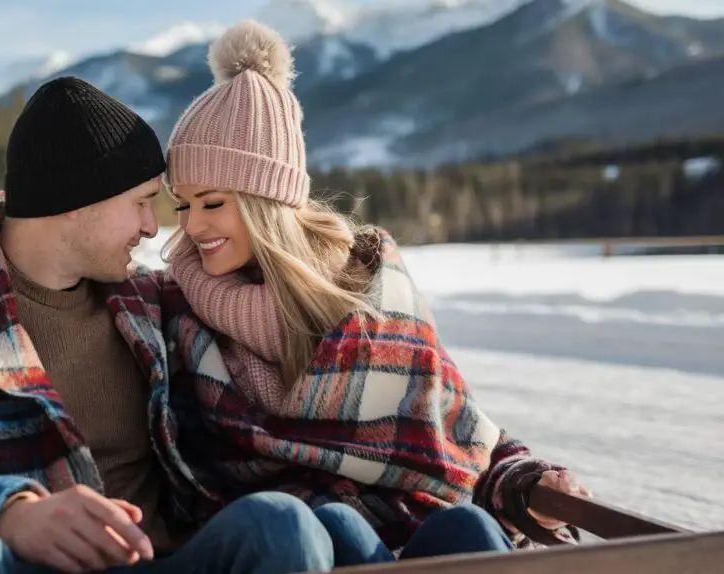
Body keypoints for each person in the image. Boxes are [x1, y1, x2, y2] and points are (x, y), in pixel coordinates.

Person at [0, 76, 338, 574]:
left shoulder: (148, 303)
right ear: (78, 203)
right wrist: (4, 514)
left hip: (161, 560)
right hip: (14, 566)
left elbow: (274, 296)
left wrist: (364, 266)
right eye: (144, 202)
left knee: (278, 525)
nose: (154, 228)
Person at [158, 19, 593, 566]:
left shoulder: (373, 296)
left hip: (412, 532)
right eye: (183, 203)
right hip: (295, 545)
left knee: (469, 526)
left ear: (267, 200)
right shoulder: (178, 312)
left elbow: (456, 428)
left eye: (212, 202)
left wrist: (527, 481)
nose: (193, 226)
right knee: (335, 520)